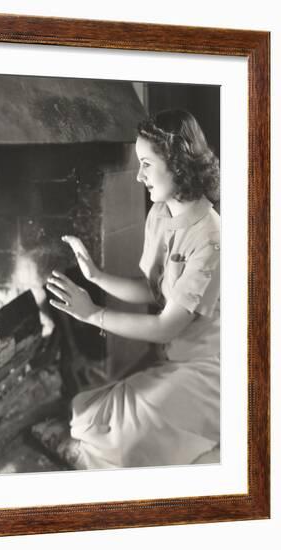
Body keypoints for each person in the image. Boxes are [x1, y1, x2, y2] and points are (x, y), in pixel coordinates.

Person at [43, 109, 221, 469]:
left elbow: (167, 325)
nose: (139, 176)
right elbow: (152, 290)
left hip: (208, 368)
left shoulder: (211, 238)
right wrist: (95, 276)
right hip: (172, 361)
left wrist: (93, 313)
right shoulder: (159, 214)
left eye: (146, 164)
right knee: (84, 418)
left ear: (178, 163)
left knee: (125, 448)